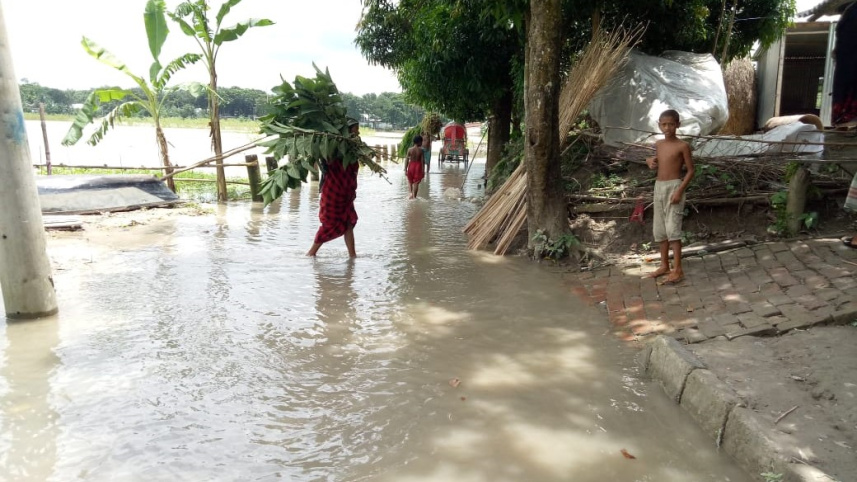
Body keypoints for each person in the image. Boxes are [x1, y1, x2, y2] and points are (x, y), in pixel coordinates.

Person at [644, 109, 695, 284]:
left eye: (671, 124)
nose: (667, 128)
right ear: (659, 125)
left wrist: (679, 191)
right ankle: (664, 265)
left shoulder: (682, 146)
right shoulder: (659, 144)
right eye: (664, 124)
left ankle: (678, 269)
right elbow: (655, 159)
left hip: (674, 187)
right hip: (659, 188)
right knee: (660, 230)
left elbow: (690, 171)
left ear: (678, 125)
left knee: (673, 230)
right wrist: (649, 161)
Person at [306, 119, 361, 257]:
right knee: (329, 224)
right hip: (333, 193)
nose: (358, 132)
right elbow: (327, 160)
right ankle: (311, 253)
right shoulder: (333, 149)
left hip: (346, 195)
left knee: (348, 223)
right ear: (346, 131)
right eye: (355, 129)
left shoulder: (354, 151)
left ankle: (352, 255)